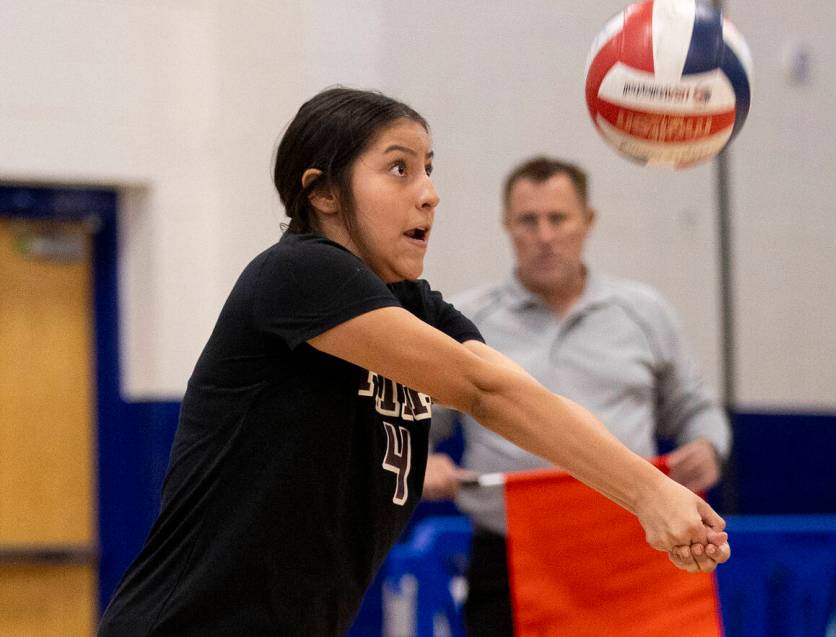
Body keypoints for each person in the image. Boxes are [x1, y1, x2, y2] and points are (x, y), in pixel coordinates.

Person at [98, 90, 729, 637]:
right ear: (322, 193)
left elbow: (517, 395)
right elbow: (482, 392)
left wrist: (651, 495)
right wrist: (648, 493)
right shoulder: (297, 274)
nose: (428, 194)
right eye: (399, 169)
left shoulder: (417, 308)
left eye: (429, 169)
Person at [423, 155, 732, 637]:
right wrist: (423, 464)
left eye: (558, 219)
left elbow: (693, 406)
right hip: (510, 560)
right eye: (529, 220)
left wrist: (709, 447)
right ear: (508, 226)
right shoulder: (465, 322)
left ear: (587, 223)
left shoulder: (644, 312)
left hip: (635, 554)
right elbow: (417, 422)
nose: (544, 235)